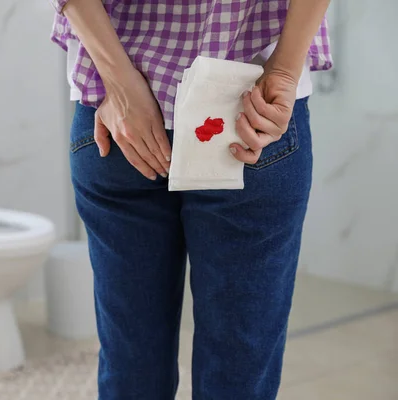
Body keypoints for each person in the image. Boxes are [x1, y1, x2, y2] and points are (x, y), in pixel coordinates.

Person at [49, 1, 332, 399]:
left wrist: (120, 82)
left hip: (123, 112)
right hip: (247, 109)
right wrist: (283, 71)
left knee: (132, 370)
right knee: (238, 376)